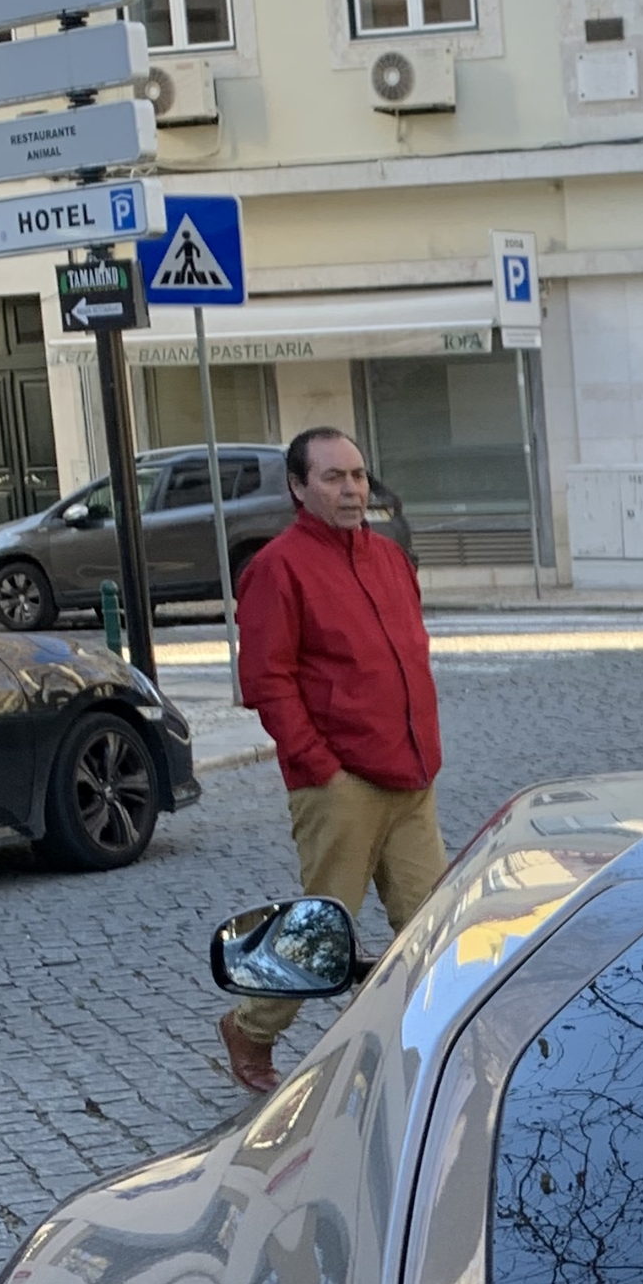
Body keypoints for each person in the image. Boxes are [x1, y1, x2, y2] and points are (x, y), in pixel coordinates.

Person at [218, 425, 447, 1096]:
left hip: (410, 775)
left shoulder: (389, 558)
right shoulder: (278, 568)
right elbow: (266, 679)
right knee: (322, 928)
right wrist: (319, 765)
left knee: (432, 924)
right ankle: (251, 1028)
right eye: (332, 477)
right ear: (298, 486)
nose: (351, 489)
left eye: (357, 475)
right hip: (338, 782)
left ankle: (414, 1039)